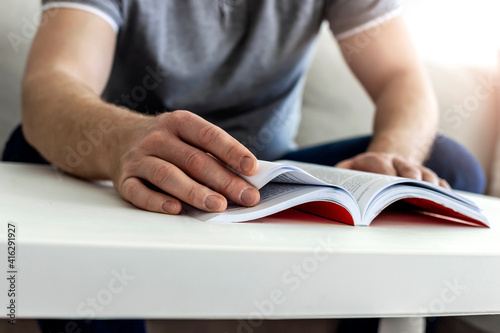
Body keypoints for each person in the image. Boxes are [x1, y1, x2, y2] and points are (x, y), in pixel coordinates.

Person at [2, 0, 485, 332]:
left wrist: (390, 153)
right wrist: (121, 141)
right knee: (29, 146)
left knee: (445, 165)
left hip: (270, 171)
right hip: (137, 165)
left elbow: (402, 78)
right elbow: (52, 82)